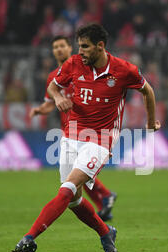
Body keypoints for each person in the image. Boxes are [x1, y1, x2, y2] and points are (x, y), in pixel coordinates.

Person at [12, 24, 160, 252]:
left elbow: (148, 91)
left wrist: (151, 122)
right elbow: (53, 86)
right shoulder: (73, 64)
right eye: (79, 46)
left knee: (67, 189)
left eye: (85, 46)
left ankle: (29, 237)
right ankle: (106, 232)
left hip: (100, 140)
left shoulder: (124, 70)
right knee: (74, 200)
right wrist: (59, 97)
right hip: (71, 136)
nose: (79, 51)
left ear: (100, 47)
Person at [29, 35, 117, 222]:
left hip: (88, 130)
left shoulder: (84, 69)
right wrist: (39, 110)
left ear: (71, 48)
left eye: (62, 46)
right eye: (55, 47)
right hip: (68, 132)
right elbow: (49, 104)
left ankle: (105, 198)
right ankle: (105, 198)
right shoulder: (53, 78)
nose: (59, 50)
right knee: (76, 176)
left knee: (76, 175)